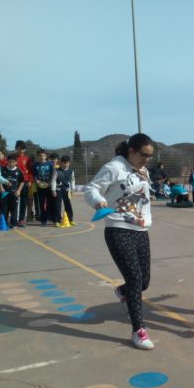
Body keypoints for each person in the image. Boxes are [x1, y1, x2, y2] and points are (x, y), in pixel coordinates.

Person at [84, 133, 155, 350]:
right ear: (131, 151)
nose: (147, 159)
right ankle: (138, 330)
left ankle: (123, 292)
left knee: (143, 282)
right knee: (134, 278)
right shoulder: (114, 167)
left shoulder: (143, 170)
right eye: (144, 155)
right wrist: (99, 201)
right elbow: (91, 189)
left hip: (140, 229)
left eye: (150, 156)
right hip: (118, 228)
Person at [1, 154, 25, 228]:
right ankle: (4, 223)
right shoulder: (3, 170)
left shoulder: (18, 171)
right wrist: (1, 188)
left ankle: (14, 223)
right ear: (7, 162)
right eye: (9, 162)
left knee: (14, 209)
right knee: (5, 208)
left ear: (16, 163)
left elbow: (22, 181)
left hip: (15, 193)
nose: (11, 163)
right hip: (5, 193)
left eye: (13, 162)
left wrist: (19, 190)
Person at [51, 155, 76, 226]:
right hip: (58, 190)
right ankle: (57, 220)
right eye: (64, 163)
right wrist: (53, 190)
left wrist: (72, 189)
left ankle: (70, 219)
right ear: (60, 163)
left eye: (67, 163)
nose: (66, 164)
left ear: (69, 163)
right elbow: (53, 180)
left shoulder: (71, 171)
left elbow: (73, 180)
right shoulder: (57, 171)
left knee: (68, 205)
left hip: (67, 191)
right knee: (57, 205)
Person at [14, 140, 34, 227]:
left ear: (24, 150)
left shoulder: (27, 159)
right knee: (14, 201)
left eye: (22, 149)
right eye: (19, 148)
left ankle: (21, 220)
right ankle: (13, 219)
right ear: (16, 148)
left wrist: (29, 180)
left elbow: (30, 171)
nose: (20, 150)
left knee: (23, 201)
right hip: (15, 182)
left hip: (25, 183)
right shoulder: (12, 158)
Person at [33, 149, 55, 226]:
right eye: (40, 155)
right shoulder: (35, 165)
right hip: (40, 187)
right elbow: (35, 175)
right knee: (41, 204)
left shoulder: (50, 164)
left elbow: (53, 174)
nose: (42, 157)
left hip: (49, 186)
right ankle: (43, 220)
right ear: (37, 156)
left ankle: (51, 217)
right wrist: (38, 182)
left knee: (50, 203)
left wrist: (50, 183)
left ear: (46, 156)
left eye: (43, 155)